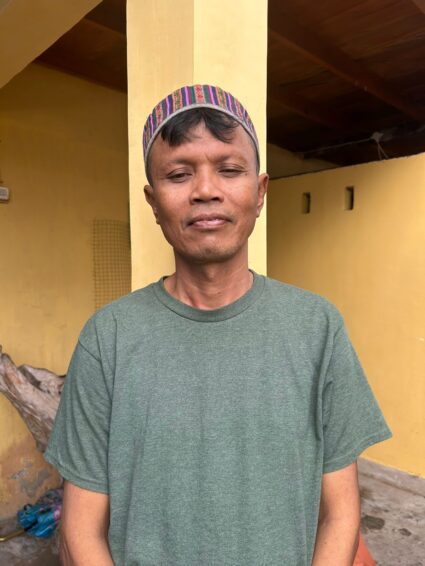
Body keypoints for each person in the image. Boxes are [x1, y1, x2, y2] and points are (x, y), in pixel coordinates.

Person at [45, 84, 391, 566]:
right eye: (179, 174)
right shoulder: (109, 338)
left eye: (230, 170)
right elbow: (81, 530)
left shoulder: (317, 327)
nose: (206, 191)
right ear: (152, 200)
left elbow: (340, 514)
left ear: (260, 191)